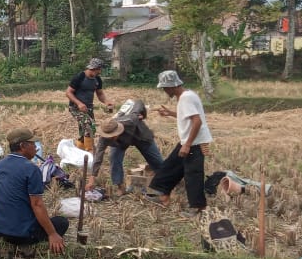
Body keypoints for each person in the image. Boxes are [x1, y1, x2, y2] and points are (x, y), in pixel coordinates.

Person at [0, 128, 68, 253]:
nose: (36, 148)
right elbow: (37, 204)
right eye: (33, 144)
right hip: (18, 233)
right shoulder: (31, 169)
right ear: (22, 146)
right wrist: (52, 234)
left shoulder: (0, 164)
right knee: (61, 222)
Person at [148, 70, 213, 212]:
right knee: (171, 165)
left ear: (172, 86)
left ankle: (198, 207)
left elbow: (197, 121)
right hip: (188, 140)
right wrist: (170, 113)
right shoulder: (187, 95)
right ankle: (162, 193)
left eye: (165, 88)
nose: (165, 91)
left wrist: (188, 144)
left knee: (193, 174)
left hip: (194, 142)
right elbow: (188, 115)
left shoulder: (186, 98)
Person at [84, 100, 165, 193]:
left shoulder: (131, 120)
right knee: (114, 158)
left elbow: (139, 103)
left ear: (117, 130)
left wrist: (144, 115)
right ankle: (120, 186)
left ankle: (164, 183)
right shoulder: (104, 137)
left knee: (157, 161)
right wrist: (92, 178)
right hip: (120, 143)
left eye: (113, 135)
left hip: (140, 136)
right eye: (108, 136)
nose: (110, 137)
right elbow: (98, 156)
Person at [66, 57, 113, 153]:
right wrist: (79, 104)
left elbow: (100, 94)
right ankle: (90, 151)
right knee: (89, 126)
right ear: (94, 68)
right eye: (99, 69)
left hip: (88, 109)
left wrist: (106, 102)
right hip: (76, 108)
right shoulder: (80, 77)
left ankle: (80, 152)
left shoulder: (97, 80)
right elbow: (68, 92)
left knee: (85, 131)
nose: (100, 71)